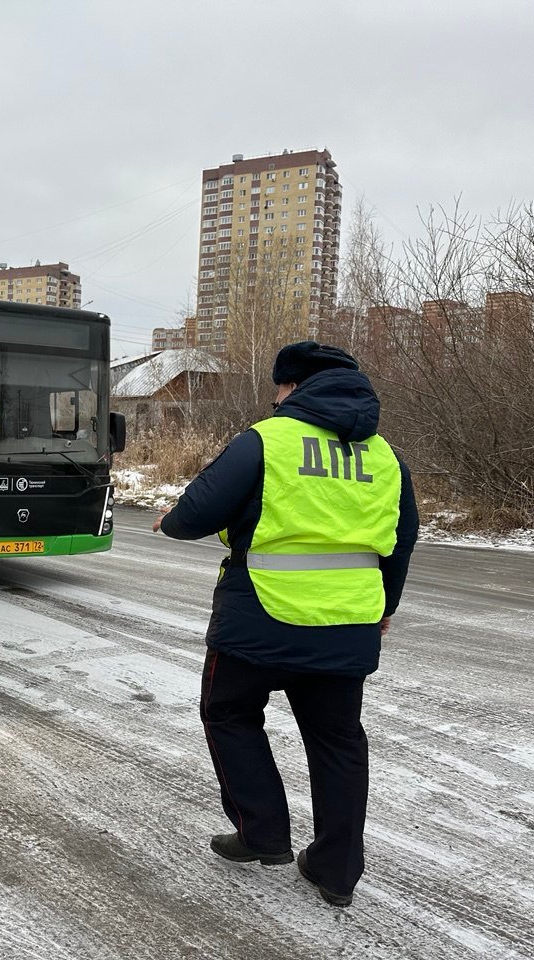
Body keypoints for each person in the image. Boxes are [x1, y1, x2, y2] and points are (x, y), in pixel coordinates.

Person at [152, 341, 419, 908]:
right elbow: (400, 543)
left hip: (259, 622)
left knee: (229, 712)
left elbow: (194, 515)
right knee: (338, 741)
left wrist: (170, 521)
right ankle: (336, 870)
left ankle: (263, 834)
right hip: (347, 625)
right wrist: (383, 608)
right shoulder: (386, 458)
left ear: (293, 386)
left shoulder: (266, 441)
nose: (275, 397)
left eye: (278, 387)